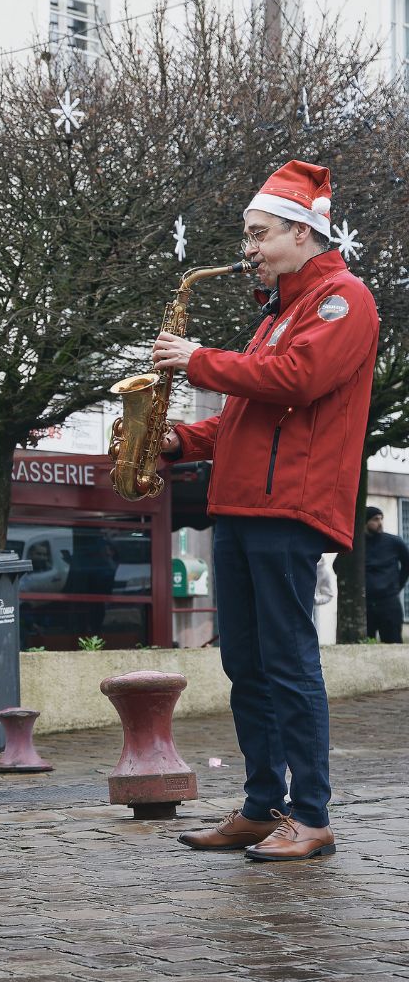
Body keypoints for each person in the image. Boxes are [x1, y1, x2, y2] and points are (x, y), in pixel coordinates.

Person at [158, 161, 378, 862]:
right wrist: (177, 440)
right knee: (247, 666)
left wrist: (196, 359)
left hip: (290, 509)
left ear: (301, 233)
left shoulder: (343, 301)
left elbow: (299, 380)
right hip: (243, 505)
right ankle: (262, 804)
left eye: (258, 234)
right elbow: (243, 416)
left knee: (287, 663)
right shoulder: (277, 314)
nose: (247, 247)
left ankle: (310, 815)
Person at [363, 507, 409, 644]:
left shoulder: (394, 542)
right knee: (364, 646)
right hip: (365, 604)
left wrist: (396, 586)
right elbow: (339, 566)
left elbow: (407, 564)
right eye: (375, 519)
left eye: (381, 518)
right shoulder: (357, 543)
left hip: (389, 603)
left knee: (393, 644)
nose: (380, 522)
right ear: (365, 522)